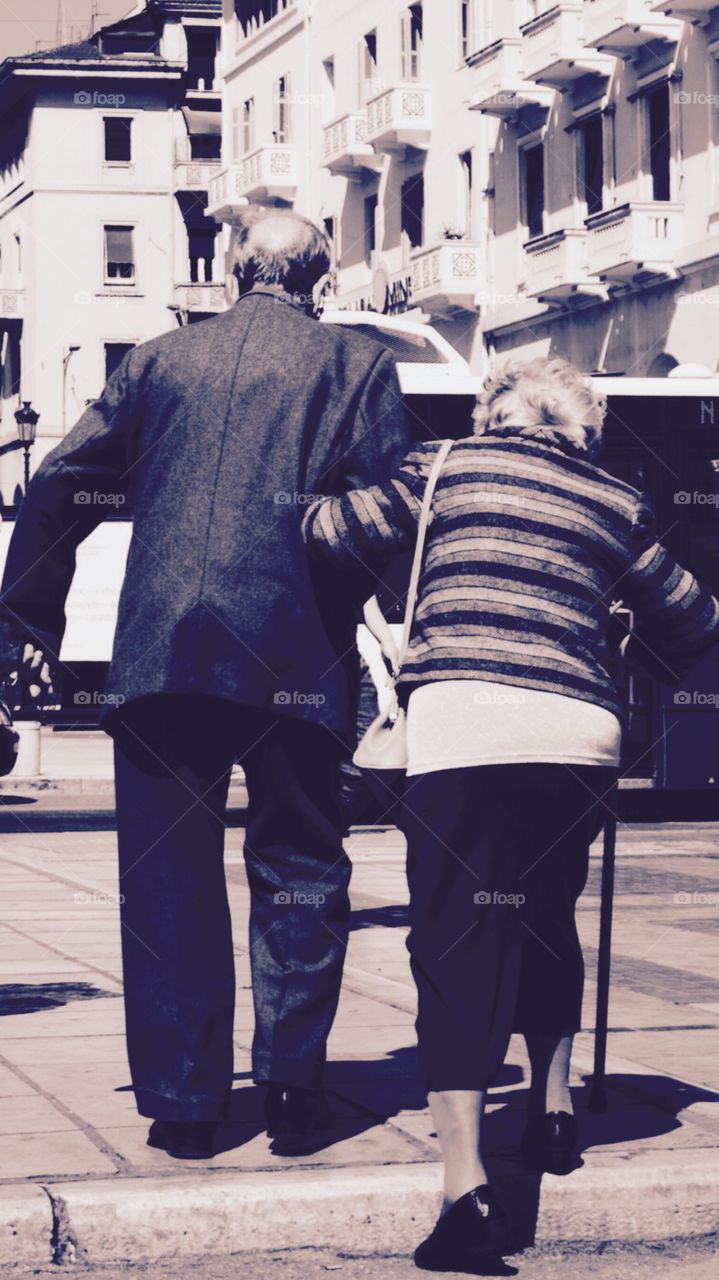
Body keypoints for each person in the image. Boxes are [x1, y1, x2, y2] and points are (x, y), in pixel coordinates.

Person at [0, 208, 411, 1160]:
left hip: (159, 655)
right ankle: (293, 1089)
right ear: (321, 277)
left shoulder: (156, 362)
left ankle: (185, 1104)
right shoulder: (356, 367)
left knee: (167, 883)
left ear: (231, 272)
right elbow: (384, 514)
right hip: (293, 650)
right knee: (299, 866)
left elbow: (63, 481)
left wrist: (26, 622)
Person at [303, 356, 719, 1269]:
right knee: (541, 920)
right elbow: (692, 622)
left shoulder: (442, 466)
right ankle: (555, 1108)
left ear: (495, 414)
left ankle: (465, 1193)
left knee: (456, 943)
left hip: (467, 731)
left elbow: (335, 532)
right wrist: (613, 628)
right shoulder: (615, 500)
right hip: (577, 743)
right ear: (582, 431)